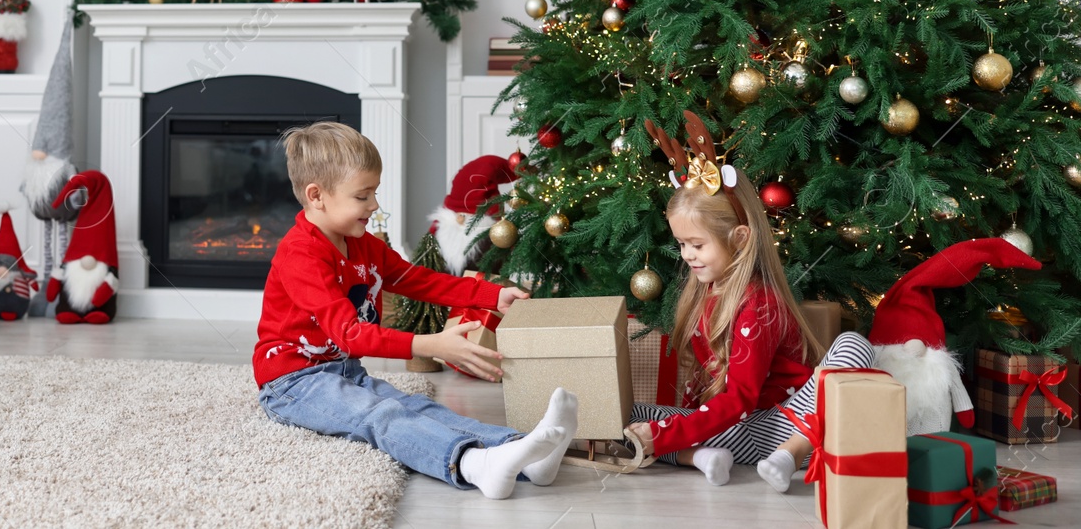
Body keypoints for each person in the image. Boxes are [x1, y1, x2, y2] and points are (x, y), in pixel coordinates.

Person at [253, 121, 579, 500]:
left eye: (374, 193)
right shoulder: (301, 255)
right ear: (317, 196)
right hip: (292, 383)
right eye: (362, 196)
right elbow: (350, 334)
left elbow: (419, 280)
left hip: (344, 370)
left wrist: (490, 295)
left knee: (413, 405)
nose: (374, 205)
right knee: (380, 417)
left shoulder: (363, 244)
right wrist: (431, 345)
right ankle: (474, 465)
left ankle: (525, 454)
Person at [627, 113, 874, 488]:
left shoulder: (759, 302)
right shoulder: (705, 293)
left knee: (854, 345)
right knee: (626, 416)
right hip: (739, 430)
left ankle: (791, 454)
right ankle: (703, 456)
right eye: (682, 244)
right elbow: (718, 395)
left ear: (740, 239)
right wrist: (667, 428)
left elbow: (740, 397)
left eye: (697, 245)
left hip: (786, 420)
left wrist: (665, 437)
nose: (687, 255)